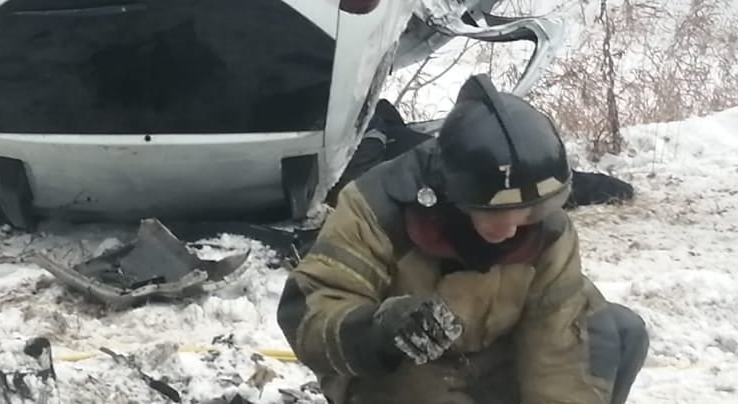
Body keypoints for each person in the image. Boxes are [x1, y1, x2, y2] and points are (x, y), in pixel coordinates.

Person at [277, 74, 648, 404]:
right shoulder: (376, 207)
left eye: (526, 213)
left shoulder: (548, 230)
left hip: (492, 358)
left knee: (617, 330)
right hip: (396, 372)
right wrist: (380, 329)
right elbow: (309, 314)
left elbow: (557, 349)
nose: (511, 229)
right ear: (452, 194)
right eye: (494, 213)